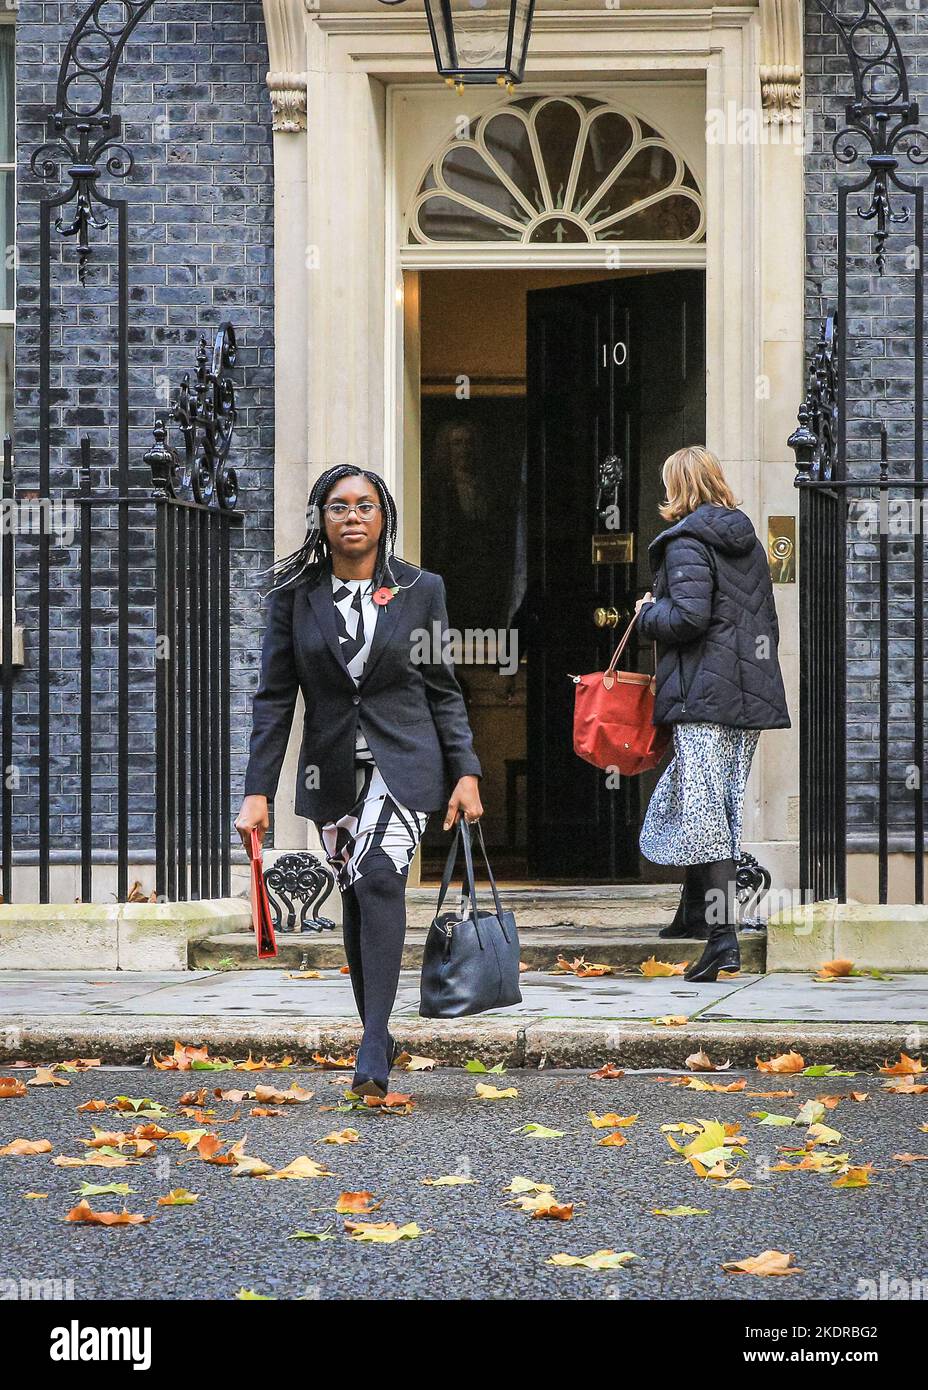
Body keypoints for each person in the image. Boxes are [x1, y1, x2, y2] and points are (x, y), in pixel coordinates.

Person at [235, 466, 483, 1096]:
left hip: (406, 763)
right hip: (333, 768)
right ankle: (376, 1026)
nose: (352, 516)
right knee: (354, 892)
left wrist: (468, 773)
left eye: (365, 506)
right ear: (321, 517)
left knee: (378, 878)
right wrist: (257, 790)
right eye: (339, 506)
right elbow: (274, 698)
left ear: (384, 517)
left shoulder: (422, 589)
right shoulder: (296, 593)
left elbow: (442, 690)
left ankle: (373, 1042)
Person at [634, 446, 790, 981]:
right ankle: (694, 914)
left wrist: (646, 614)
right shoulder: (741, 538)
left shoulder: (685, 542)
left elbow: (690, 617)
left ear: (679, 486)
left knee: (705, 818)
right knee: (710, 808)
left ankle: (723, 940)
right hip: (743, 696)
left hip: (703, 696)